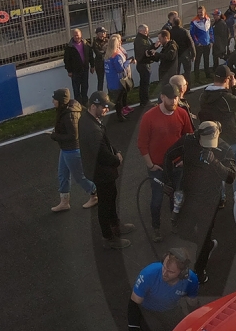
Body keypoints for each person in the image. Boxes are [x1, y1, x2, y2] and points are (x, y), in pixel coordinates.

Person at [161, 122, 236, 285]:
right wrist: (169, 182)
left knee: (203, 235)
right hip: (189, 196)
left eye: (212, 144)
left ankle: (200, 270)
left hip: (210, 201)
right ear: (197, 135)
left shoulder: (224, 148)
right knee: (182, 230)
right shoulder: (188, 141)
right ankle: (208, 244)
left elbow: (231, 177)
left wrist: (215, 162)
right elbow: (168, 156)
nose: (209, 148)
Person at [137, 86, 194, 243]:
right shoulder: (149, 117)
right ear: (162, 97)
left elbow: (189, 138)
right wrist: (150, 165)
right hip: (158, 167)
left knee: (176, 197)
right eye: (171, 98)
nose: (174, 101)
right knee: (156, 200)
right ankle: (156, 227)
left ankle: (174, 222)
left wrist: (183, 159)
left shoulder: (182, 114)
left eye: (176, 98)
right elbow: (142, 144)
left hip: (176, 166)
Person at [79, 92, 134, 250]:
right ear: (93, 106)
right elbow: (101, 153)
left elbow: (105, 143)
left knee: (111, 197)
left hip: (100, 170)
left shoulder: (89, 120)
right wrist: (117, 159)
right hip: (101, 172)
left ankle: (115, 224)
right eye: (103, 107)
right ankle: (108, 236)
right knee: (105, 202)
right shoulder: (91, 128)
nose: (106, 110)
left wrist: (115, 151)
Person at [128, 248, 200, 331]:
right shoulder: (149, 274)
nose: (164, 273)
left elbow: (192, 304)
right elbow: (133, 305)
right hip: (147, 311)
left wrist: (199, 327)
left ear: (182, 273)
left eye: (170, 272)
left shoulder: (191, 280)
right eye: (164, 267)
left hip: (171, 309)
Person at [48, 88, 99, 213]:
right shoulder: (65, 110)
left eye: (55, 99)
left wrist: (55, 136)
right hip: (65, 149)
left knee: (79, 176)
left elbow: (73, 135)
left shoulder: (69, 114)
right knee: (62, 174)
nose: (53, 101)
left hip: (72, 150)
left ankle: (95, 194)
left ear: (61, 100)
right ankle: (64, 202)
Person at [63, 28, 92, 103]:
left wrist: (92, 65)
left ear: (81, 35)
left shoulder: (86, 44)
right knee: (76, 89)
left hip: (85, 69)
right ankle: (78, 104)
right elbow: (66, 60)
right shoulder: (69, 47)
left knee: (85, 86)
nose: (77, 37)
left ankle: (85, 102)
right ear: (73, 36)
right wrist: (69, 71)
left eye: (78, 35)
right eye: (75, 36)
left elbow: (90, 55)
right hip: (75, 71)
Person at [132, 24, 154, 108]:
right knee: (145, 84)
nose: (147, 33)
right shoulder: (140, 40)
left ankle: (143, 100)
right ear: (140, 31)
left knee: (144, 83)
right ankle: (145, 101)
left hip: (144, 64)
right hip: (143, 64)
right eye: (145, 31)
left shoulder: (144, 39)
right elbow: (146, 50)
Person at [189, 7, 213, 78]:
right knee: (197, 61)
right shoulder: (194, 21)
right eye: (198, 12)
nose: (200, 13)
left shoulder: (208, 19)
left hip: (207, 43)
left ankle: (207, 75)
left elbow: (211, 31)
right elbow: (192, 34)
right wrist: (197, 43)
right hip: (199, 45)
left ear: (204, 12)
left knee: (207, 60)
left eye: (201, 12)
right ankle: (197, 77)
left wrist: (211, 41)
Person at [90, 27, 110, 92]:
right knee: (100, 80)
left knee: (110, 79)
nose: (103, 34)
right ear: (97, 34)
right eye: (101, 32)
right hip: (99, 63)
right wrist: (105, 51)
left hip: (108, 62)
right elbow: (98, 54)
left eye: (104, 32)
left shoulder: (107, 40)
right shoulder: (95, 43)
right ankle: (99, 96)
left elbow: (110, 51)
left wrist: (104, 51)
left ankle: (110, 93)